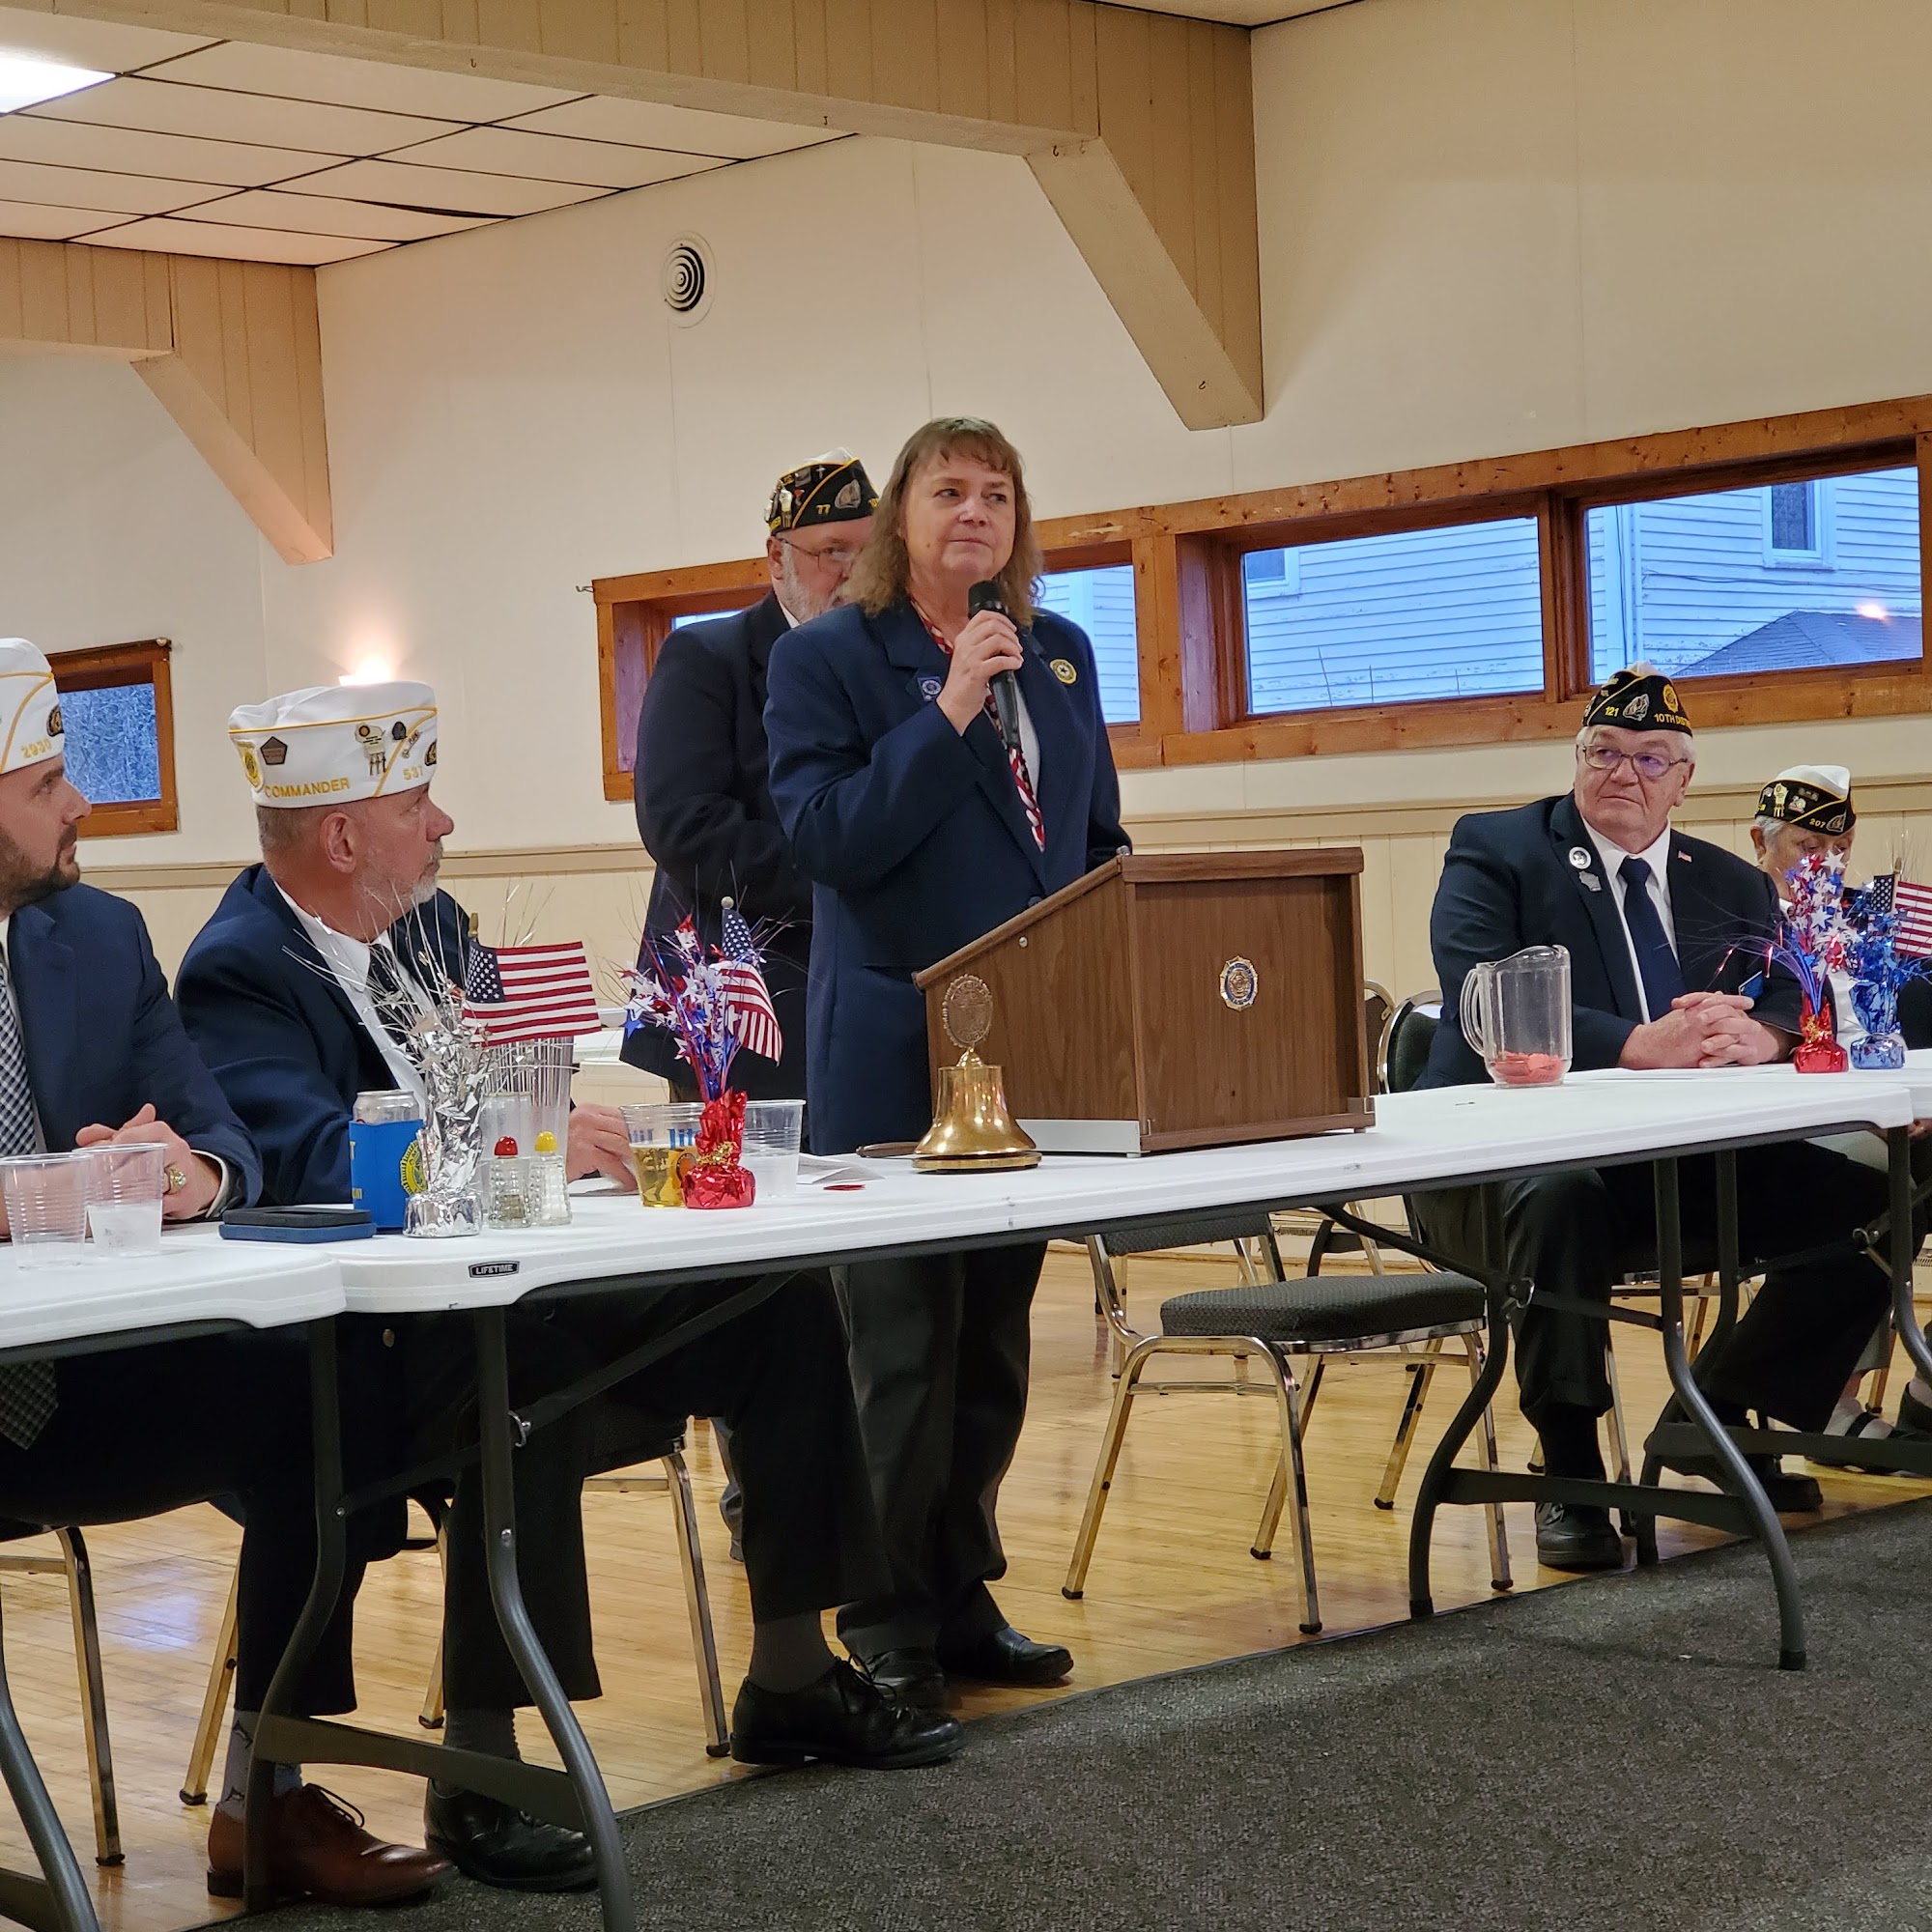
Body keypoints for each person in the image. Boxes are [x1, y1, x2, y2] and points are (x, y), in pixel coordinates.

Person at [179, 683, 956, 1876]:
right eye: (418, 802)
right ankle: (481, 1768)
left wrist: (572, 1137)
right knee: (514, 1375)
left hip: (512, 1276)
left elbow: (526, 1084)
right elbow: (311, 1155)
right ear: (340, 835)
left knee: (778, 1301)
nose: (444, 823)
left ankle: (793, 1672)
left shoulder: (433, 927)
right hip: (378, 1346)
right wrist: (534, 1139)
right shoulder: (240, 967)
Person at [0, 641, 448, 1908]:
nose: (82, 803)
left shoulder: (98, 933)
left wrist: (184, 1172)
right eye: (44, 787)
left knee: (322, 1389)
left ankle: (268, 1789)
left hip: (77, 1379)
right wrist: (32, 1195)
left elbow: (225, 1135)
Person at [766, 416, 1127, 1710]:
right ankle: (884, 1617)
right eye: (948, 490)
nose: (975, 512)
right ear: (899, 519)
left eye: (997, 494)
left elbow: (1092, 837)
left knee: (990, 1343)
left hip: (1028, 1051)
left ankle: (961, 1590)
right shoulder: (828, 659)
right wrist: (951, 708)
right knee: (904, 1349)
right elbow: (829, 838)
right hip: (893, 1050)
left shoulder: (1061, 650)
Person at [1415, 666, 1894, 1573]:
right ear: (1577, 760)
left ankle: (1718, 1411)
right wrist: (1635, 1043)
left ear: (1684, 780)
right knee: (1562, 1200)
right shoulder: (1499, 849)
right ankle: (1569, 1467)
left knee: (1889, 1191)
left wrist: (1764, 1034)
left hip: (1680, 1167)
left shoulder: (1726, 879)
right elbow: (1482, 987)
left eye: (1649, 760)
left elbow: (1788, 990)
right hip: (1508, 1165)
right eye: (1603, 752)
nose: (1621, 774)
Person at [628, 450, 875, 1553]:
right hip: (732, 998)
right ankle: (765, 1494)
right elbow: (683, 824)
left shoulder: (883, 662)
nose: (848, 573)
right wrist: (841, 874)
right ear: (776, 558)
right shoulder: (710, 655)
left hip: (861, 983)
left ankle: (849, 1488)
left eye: (866, 553)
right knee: (761, 1263)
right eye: (829, 553)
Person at [1747, 764, 1932, 1463]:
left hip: (1890, 1104)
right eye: (1807, 847)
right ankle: (1831, 1398)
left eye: (1841, 847)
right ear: (1761, 842)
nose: (1826, 863)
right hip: (1787, 1122)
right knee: (1882, 1178)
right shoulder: (1741, 919)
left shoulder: (1873, 917)